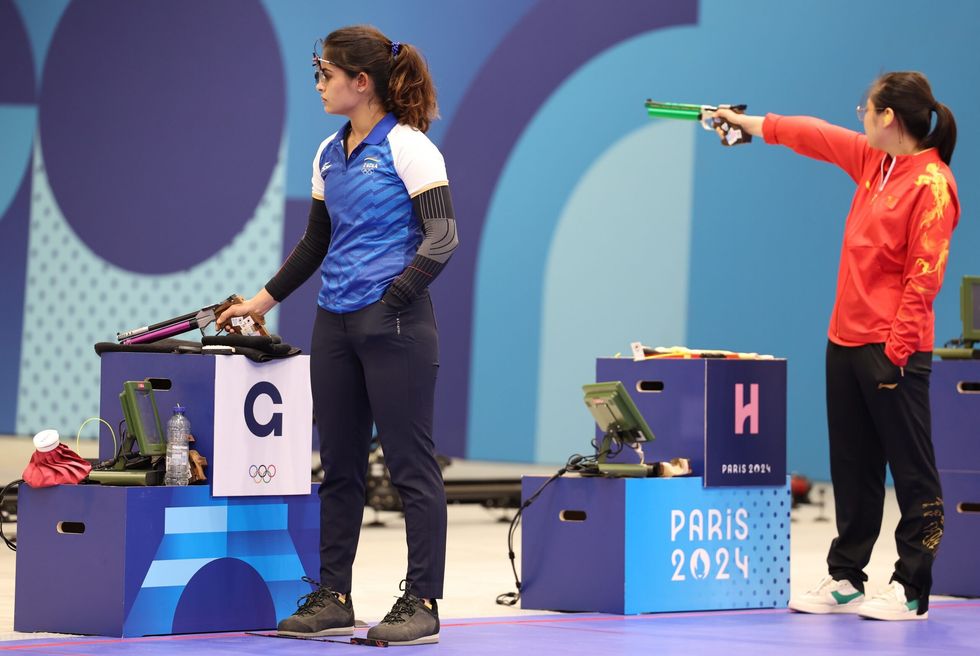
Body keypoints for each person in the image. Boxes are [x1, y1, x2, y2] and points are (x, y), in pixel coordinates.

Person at [218, 25, 457, 645]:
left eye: (326, 73)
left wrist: (393, 297)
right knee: (340, 468)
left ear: (362, 81)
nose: (320, 84)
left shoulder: (410, 147)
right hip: (334, 325)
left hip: (396, 324)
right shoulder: (328, 152)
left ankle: (422, 602)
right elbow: (315, 243)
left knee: (410, 468)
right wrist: (258, 303)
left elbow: (443, 238)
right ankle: (335, 597)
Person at [714, 71, 959, 621]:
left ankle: (912, 587)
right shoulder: (874, 161)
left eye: (865, 109)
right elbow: (813, 134)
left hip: (893, 350)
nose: (860, 117)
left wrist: (896, 352)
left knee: (912, 472)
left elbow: (925, 278)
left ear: (888, 117)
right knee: (853, 468)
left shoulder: (933, 184)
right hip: (844, 342)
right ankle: (847, 576)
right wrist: (747, 124)